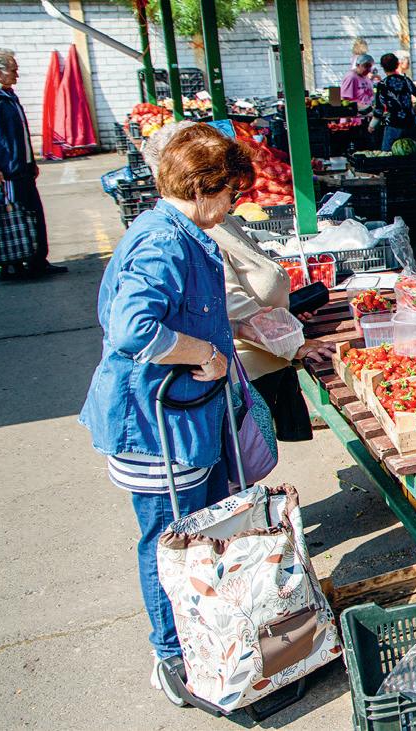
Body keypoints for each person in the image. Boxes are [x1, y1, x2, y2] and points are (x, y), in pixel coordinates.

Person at [78, 124, 253, 693]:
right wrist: (203, 352)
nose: (234, 203)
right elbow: (132, 328)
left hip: (184, 423)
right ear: (203, 187)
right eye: (230, 191)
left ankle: (204, 634)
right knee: (170, 542)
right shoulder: (163, 243)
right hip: (156, 429)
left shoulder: (180, 232)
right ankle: (171, 657)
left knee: (198, 531)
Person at [142, 121, 336, 441]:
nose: (233, 200)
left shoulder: (210, 221)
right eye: (230, 189)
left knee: (246, 460)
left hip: (259, 359)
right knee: (237, 457)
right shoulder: (183, 236)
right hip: (234, 372)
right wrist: (292, 343)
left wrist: (283, 315)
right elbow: (139, 331)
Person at [0, 48, 67, 281]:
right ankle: (12, 265)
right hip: (6, 172)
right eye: (13, 70)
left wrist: (30, 161)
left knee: (32, 214)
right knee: (12, 216)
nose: (17, 75)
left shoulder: (7, 94)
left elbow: (18, 133)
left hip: (21, 168)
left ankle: (36, 261)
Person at [371, 52, 416, 152]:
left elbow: (379, 109)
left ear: (383, 67)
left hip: (393, 125)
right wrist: (413, 109)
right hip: (411, 123)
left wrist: (372, 125)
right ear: (397, 64)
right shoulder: (406, 80)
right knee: (414, 153)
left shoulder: (382, 84)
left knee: (389, 155)